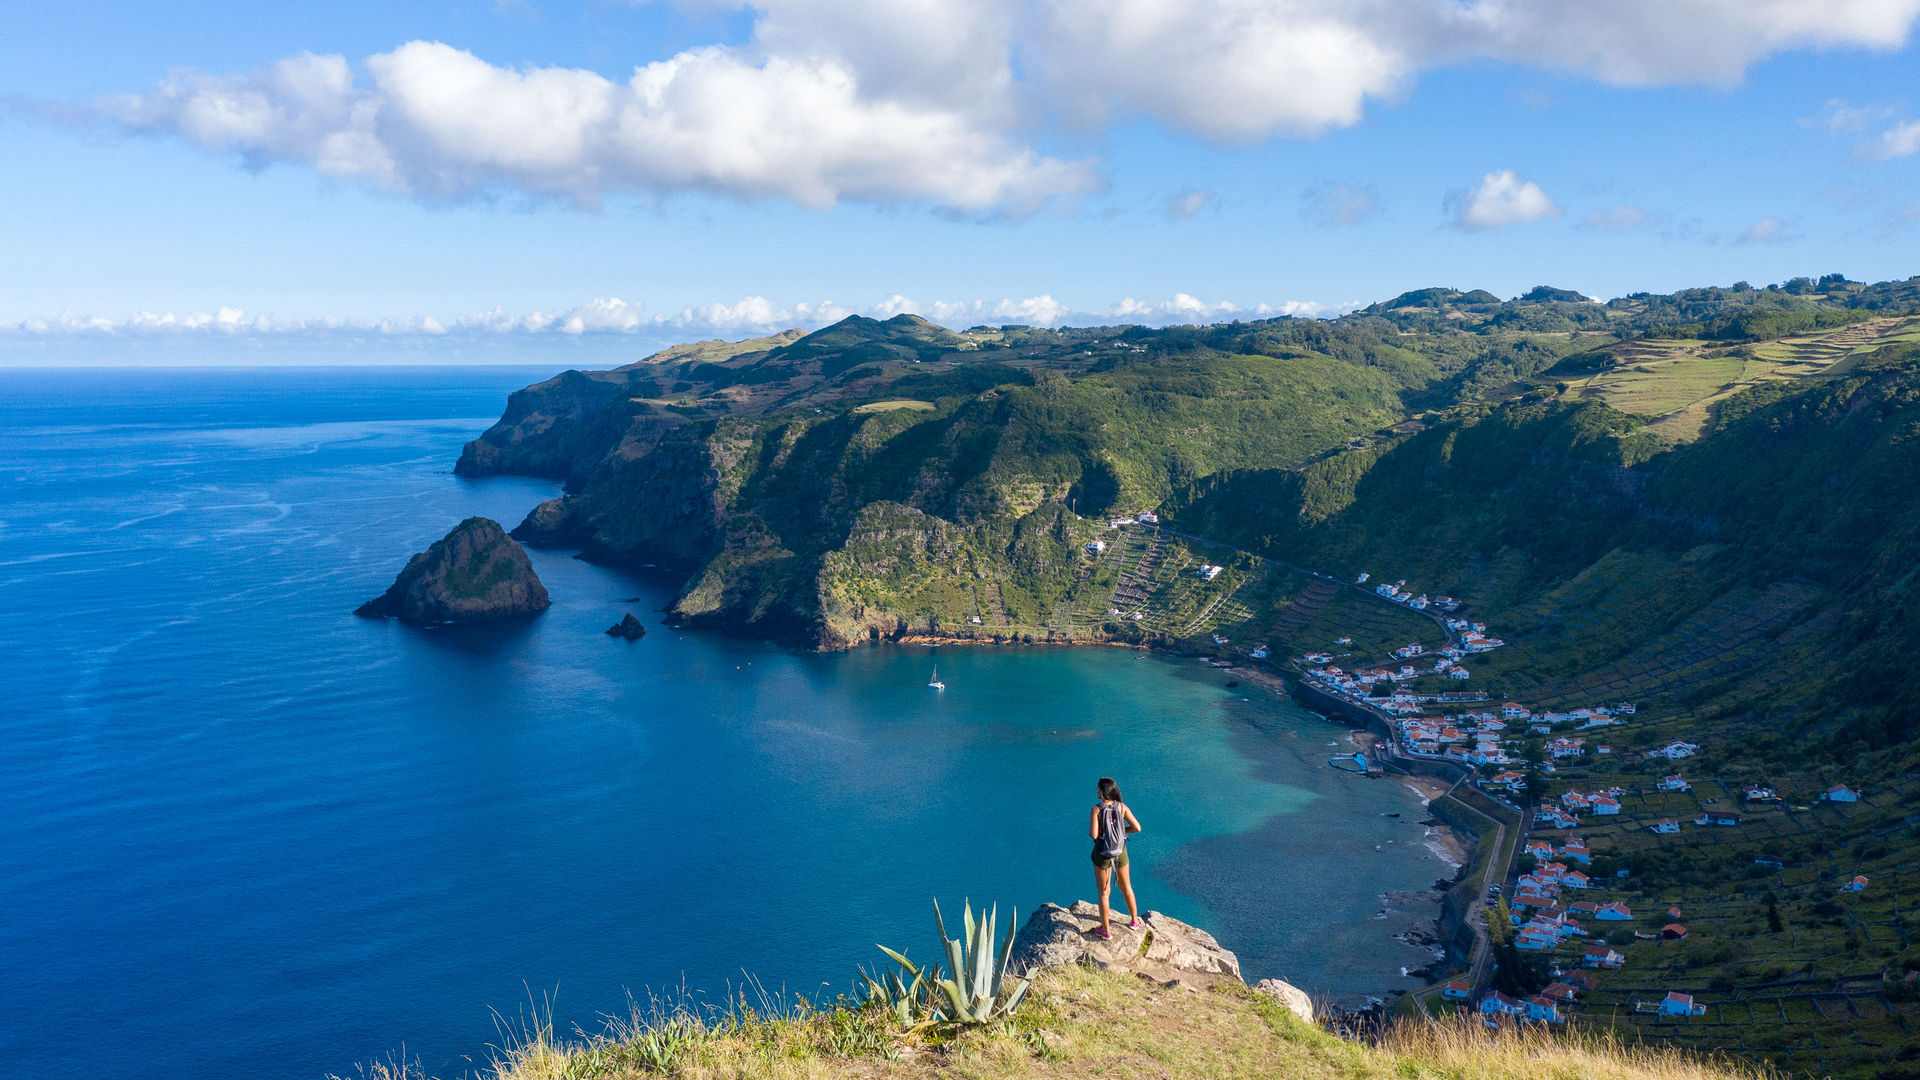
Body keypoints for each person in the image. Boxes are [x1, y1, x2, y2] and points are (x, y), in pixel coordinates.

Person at [1088, 776, 1142, 939]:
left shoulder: (1097, 809)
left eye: (1098, 788)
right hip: (1120, 851)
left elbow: (1093, 834)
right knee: (1127, 887)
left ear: (1103, 792)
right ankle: (1134, 922)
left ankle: (1106, 931)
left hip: (1103, 854)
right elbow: (1137, 828)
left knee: (1104, 893)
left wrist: (1107, 834)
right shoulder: (1122, 807)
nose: (1096, 791)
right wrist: (1120, 832)